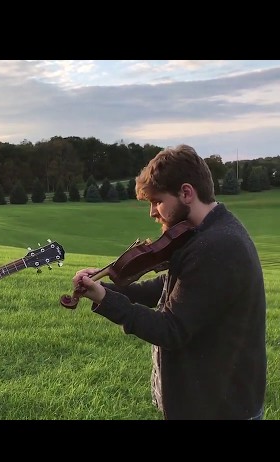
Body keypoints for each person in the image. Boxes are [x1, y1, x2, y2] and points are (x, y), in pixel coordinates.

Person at [71, 144, 266, 420]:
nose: (152, 213)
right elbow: (166, 288)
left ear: (186, 193)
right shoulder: (207, 234)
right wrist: (103, 289)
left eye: (157, 201)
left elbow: (171, 329)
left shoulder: (217, 246)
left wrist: (106, 300)